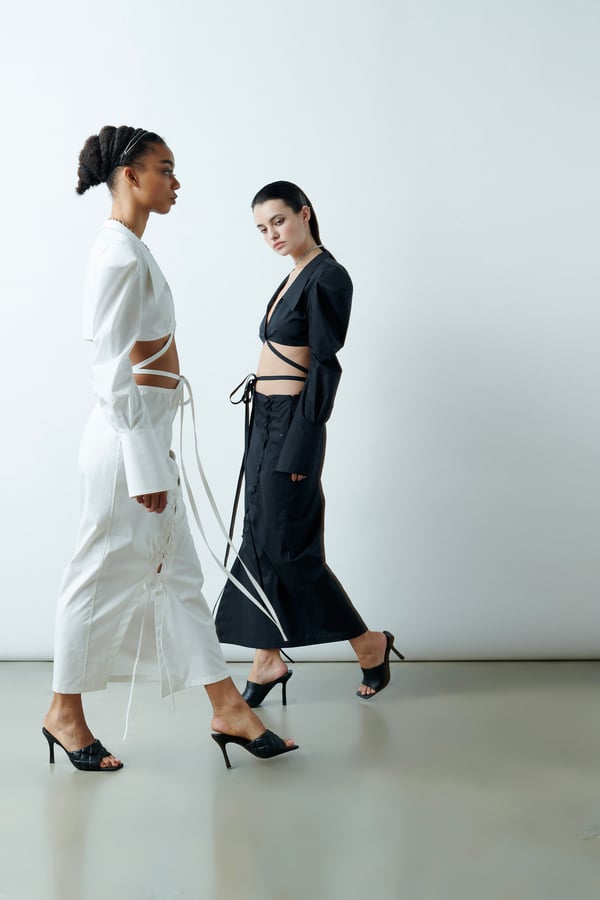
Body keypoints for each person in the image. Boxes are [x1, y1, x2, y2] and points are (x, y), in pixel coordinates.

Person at [42, 128, 296, 771]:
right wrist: (143, 459)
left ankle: (228, 707)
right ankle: (64, 713)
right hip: (125, 446)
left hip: (149, 438)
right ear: (130, 176)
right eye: (165, 169)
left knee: (180, 577)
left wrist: (152, 449)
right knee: (95, 573)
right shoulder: (117, 254)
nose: (176, 183)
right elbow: (108, 368)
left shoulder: (130, 248)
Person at [214, 181, 404, 705]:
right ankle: (266, 658)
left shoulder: (327, 275)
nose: (272, 235)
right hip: (265, 418)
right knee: (258, 536)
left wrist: (302, 441)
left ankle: (368, 643)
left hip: (293, 423)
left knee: (289, 547)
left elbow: (324, 364)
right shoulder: (293, 273)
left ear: (304, 213)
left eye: (278, 221)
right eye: (262, 229)